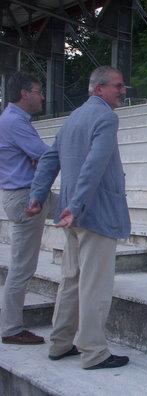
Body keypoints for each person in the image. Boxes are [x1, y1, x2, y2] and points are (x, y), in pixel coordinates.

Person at [27, 66, 131, 370]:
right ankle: (94, 352)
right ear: (98, 89)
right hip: (92, 213)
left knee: (71, 280)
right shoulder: (106, 118)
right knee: (94, 285)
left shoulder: (74, 117)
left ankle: (60, 343)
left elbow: (49, 159)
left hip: (74, 215)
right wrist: (77, 204)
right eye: (118, 86)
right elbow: (95, 165)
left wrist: (38, 195)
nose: (123, 91)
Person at [0, 71, 57, 345]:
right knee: (22, 268)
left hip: (32, 192)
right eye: (38, 90)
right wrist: (39, 158)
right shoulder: (13, 122)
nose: (42, 96)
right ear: (25, 93)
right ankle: (11, 329)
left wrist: (39, 159)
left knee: (80, 214)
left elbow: (40, 157)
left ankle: (87, 272)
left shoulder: (15, 120)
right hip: (26, 198)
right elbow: (46, 155)